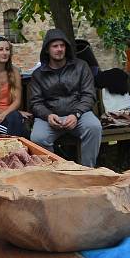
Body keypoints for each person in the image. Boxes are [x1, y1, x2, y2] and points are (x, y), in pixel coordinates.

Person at [29, 29, 102, 167]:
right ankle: (55, 172)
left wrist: (76, 114)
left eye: (62, 46)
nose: (59, 49)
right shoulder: (38, 74)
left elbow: (88, 94)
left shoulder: (81, 66)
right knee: (38, 138)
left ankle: (88, 171)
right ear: (47, 50)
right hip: (50, 117)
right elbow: (35, 102)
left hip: (78, 114)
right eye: (55, 46)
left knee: (94, 127)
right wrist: (48, 115)